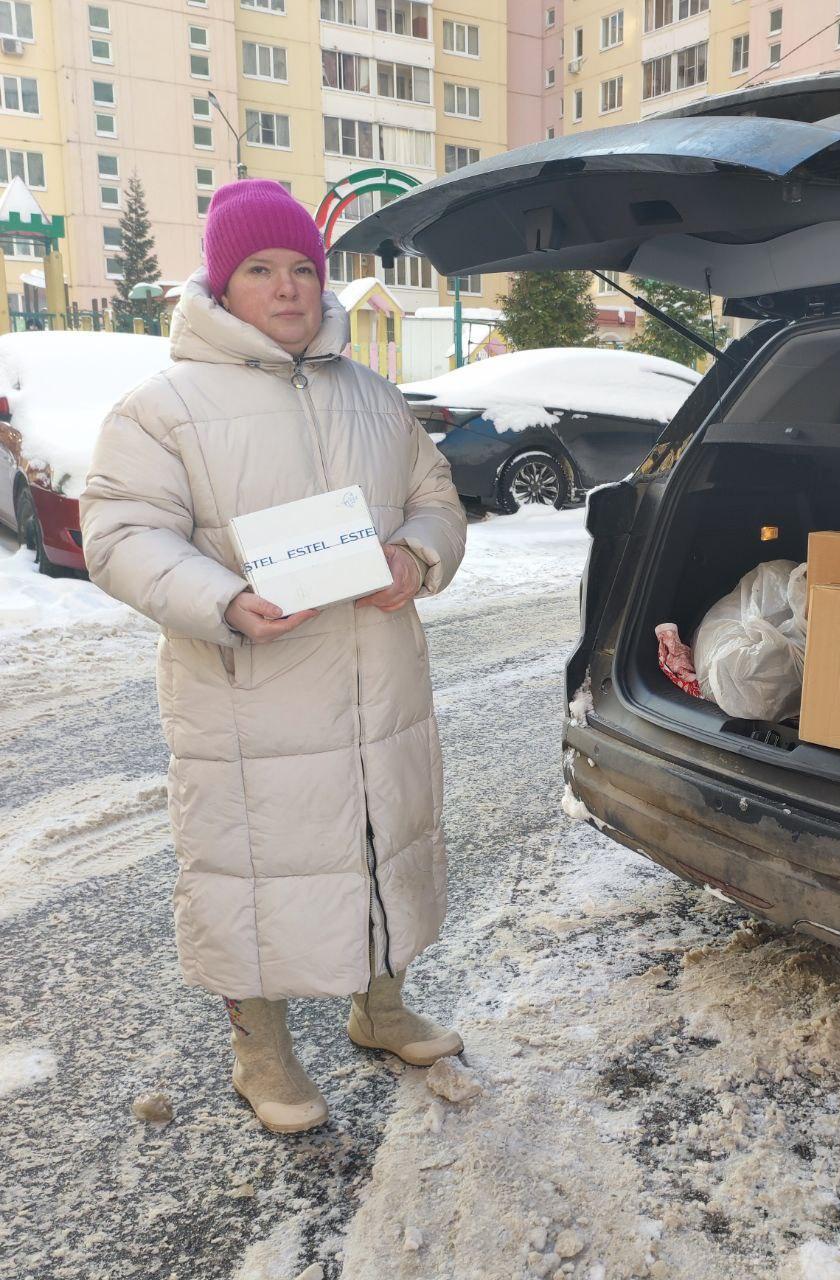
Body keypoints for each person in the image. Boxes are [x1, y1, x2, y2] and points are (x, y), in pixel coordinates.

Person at [80, 180, 467, 1135]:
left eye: (302, 269)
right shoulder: (162, 409)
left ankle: (380, 1007)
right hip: (250, 692)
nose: (288, 289)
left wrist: (415, 557)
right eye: (261, 269)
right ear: (222, 281)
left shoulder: (373, 396)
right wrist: (221, 599)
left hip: (378, 682)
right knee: (256, 871)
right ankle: (263, 1053)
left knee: (383, 841)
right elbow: (120, 535)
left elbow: (438, 499)